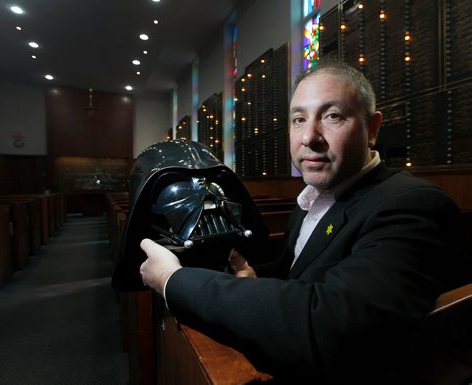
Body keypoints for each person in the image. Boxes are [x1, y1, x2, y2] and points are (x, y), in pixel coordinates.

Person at [138, 61, 471, 384]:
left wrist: (172, 279)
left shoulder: (412, 204)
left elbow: (332, 328)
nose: (309, 137)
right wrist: (252, 281)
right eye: (298, 119)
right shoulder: (314, 197)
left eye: (332, 116)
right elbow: (299, 279)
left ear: (372, 130)